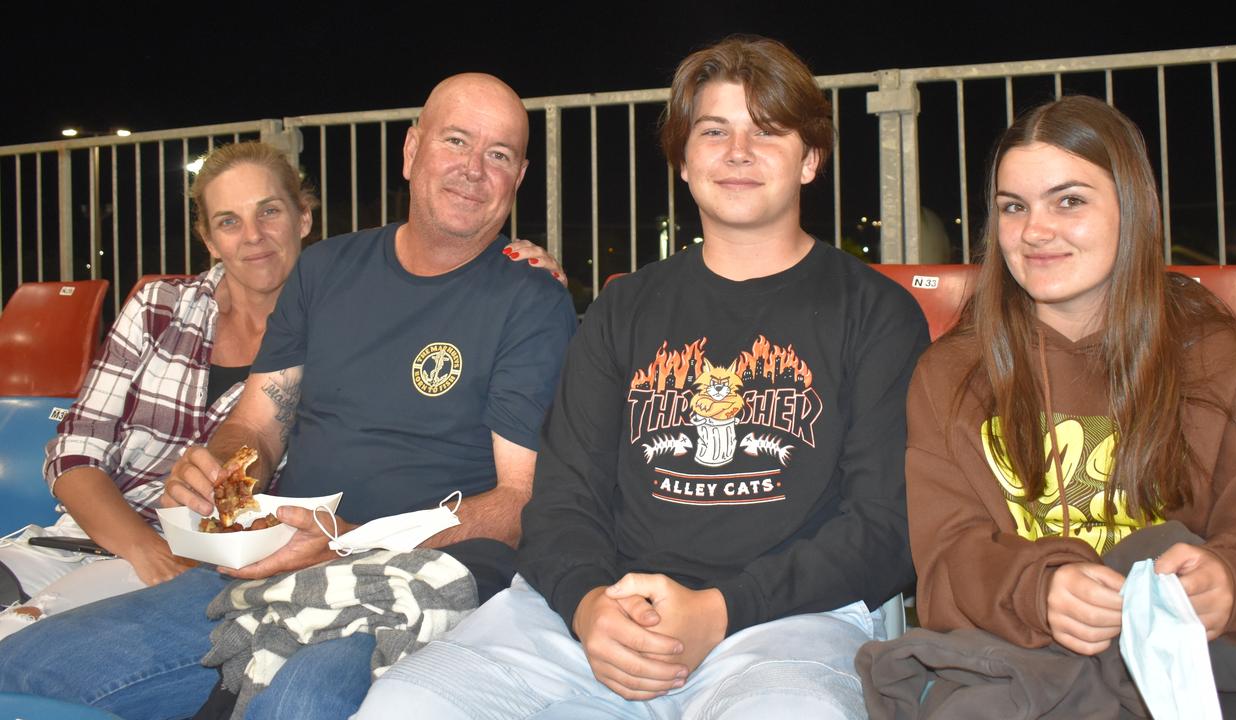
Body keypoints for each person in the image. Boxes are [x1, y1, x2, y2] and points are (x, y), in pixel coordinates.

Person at [357, 36, 927, 720]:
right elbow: (563, 500)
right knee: (406, 703)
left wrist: (719, 610)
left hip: (783, 621)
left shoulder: (875, 313)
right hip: (599, 611)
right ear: (684, 162)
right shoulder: (623, 308)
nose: (738, 153)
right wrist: (591, 605)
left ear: (810, 159)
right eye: (714, 131)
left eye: (767, 132)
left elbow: (883, 528)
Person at [0, 73, 577, 720]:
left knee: (299, 702)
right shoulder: (326, 271)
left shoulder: (531, 301)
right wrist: (223, 475)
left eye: (498, 154)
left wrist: (349, 541)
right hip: (277, 556)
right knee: (22, 671)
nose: (473, 169)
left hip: (420, 571)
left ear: (519, 176)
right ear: (412, 150)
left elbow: (520, 501)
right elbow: (257, 426)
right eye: (456, 142)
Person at [860, 96, 1236, 716]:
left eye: (1070, 200)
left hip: (1197, 667)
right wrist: (1039, 590)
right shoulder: (951, 376)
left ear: (1131, 209)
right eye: (1013, 207)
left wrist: (1233, 585)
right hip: (1027, 669)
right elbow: (947, 561)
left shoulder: (1226, 362)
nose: (1035, 230)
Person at [0, 141, 314, 639]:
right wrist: (145, 548)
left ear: (303, 218)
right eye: (229, 221)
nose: (253, 237)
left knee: (23, 647)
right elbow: (74, 453)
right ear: (208, 239)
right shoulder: (159, 307)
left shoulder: (334, 339)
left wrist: (167, 557)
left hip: (204, 569)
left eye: (269, 212)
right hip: (84, 539)